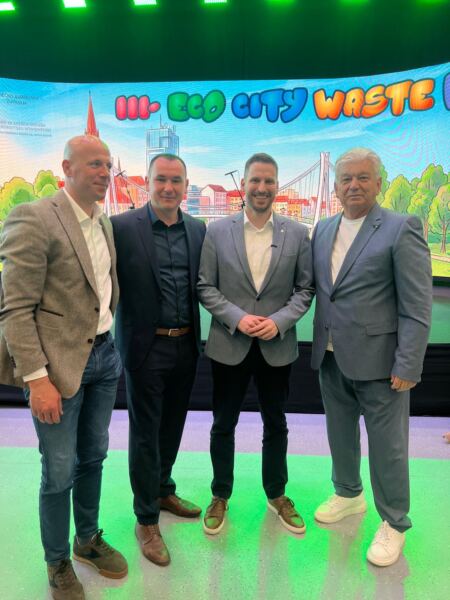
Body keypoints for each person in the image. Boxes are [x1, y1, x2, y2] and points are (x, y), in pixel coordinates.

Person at [0, 135, 127, 599]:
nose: (104, 172)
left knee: (93, 456)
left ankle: (87, 539)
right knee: (58, 469)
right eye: (94, 164)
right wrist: (37, 380)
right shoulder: (33, 217)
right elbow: (15, 309)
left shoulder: (103, 222)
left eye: (107, 165)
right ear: (66, 168)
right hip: (55, 370)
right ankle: (56, 562)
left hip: (105, 357)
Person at [311, 147, 432, 567]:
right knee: (339, 434)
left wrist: (408, 363)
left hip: (382, 364)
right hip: (331, 356)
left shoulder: (401, 228)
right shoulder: (323, 229)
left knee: (388, 448)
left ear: (378, 183)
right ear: (335, 187)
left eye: (363, 177)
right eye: (346, 178)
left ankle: (394, 522)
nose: (354, 185)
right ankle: (348, 494)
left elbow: (417, 305)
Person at [197, 152, 314, 535]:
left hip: (276, 347)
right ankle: (220, 495)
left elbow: (305, 289)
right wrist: (237, 317)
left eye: (269, 181)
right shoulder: (216, 231)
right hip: (229, 343)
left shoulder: (297, 233)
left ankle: (277, 494)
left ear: (277, 186)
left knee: (276, 423)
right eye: (255, 181)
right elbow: (205, 286)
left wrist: (279, 322)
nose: (262, 188)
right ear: (243, 185)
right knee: (222, 424)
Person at [111, 154, 206, 567]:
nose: (168, 187)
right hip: (144, 347)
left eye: (176, 180)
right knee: (145, 434)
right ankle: (146, 519)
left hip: (186, 346)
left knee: (172, 426)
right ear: (147, 183)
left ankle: (163, 490)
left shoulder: (199, 230)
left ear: (185, 185)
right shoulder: (121, 228)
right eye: (161, 179)